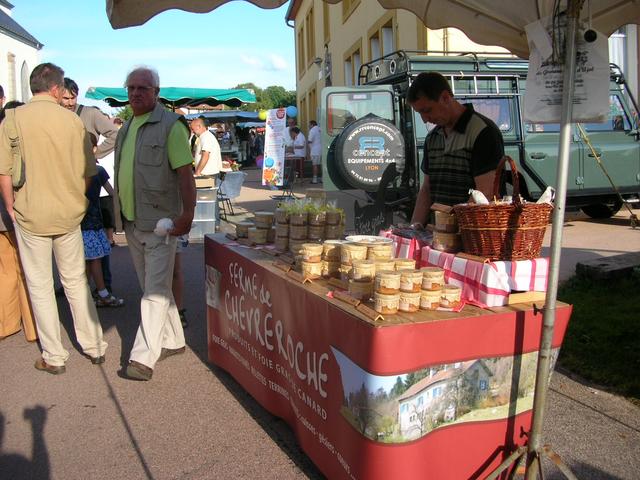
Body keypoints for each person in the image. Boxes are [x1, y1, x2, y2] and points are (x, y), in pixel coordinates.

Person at [0, 63, 107, 374]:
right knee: (75, 281)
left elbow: (4, 172)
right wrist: (77, 200)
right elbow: (88, 172)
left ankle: (55, 355)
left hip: (31, 212)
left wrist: (11, 207)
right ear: (57, 89)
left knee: (40, 285)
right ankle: (94, 345)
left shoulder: (12, 119)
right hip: (68, 213)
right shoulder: (72, 120)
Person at [113, 66, 196, 381]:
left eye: (143, 88)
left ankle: (142, 358)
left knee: (154, 292)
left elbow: (185, 175)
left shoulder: (171, 127)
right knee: (154, 288)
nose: (135, 93)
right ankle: (173, 339)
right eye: (131, 88)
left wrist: (187, 214)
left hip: (161, 223)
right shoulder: (126, 127)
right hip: (132, 222)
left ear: (156, 93)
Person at [407, 72, 504, 228]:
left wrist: (451, 228)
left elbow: (485, 193)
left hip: (474, 233)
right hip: (441, 233)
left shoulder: (483, 132)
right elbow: (427, 189)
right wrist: (415, 226)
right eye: (420, 113)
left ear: (445, 98)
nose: (424, 119)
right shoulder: (432, 138)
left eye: (427, 110)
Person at [61, 77, 119, 292]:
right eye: (65, 98)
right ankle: (76, 287)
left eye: (72, 97)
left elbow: (115, 134)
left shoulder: (90, 114)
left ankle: (104, 287)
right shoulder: (55, 115)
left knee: (95, 246)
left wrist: (95, 154)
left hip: (87, 186)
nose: (69, 102)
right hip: (65, 185)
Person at [0, 100, 37, 342]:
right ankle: (33, 327)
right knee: (27, 270)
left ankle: (7, 324)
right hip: (16, 212)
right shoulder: (16, 141)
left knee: (5, 271)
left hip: (3, 217)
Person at [81, 134, 124, 308]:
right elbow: (112, 192)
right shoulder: (99, 171)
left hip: (81, 221)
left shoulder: (74, 170)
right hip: (94, 221)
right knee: (96, 259)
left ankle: (87, 294)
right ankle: (102, 292)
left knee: (87, 260)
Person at [191, 117, 222, 182]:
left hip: (208, 174)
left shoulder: (206, 137)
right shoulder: (204, 136)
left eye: (193, 129)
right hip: (207, 173)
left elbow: (205, 155)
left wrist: (198, 172)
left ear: (199, 126)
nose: (193, 132)